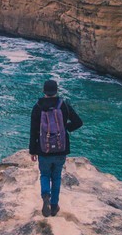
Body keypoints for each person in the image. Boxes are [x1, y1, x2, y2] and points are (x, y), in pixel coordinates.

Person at [29, 79, 83, 217]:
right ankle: (54, 206)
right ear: (56, 91)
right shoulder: (63, 105)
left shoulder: (37, 107)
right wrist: (65, 129)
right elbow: (78, 122)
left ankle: (45, 195)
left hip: (43, 149)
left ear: (44, 91)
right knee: (57, 177)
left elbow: (34, 130)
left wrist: (32, 150)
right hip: (60, 149)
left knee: (45, 175)